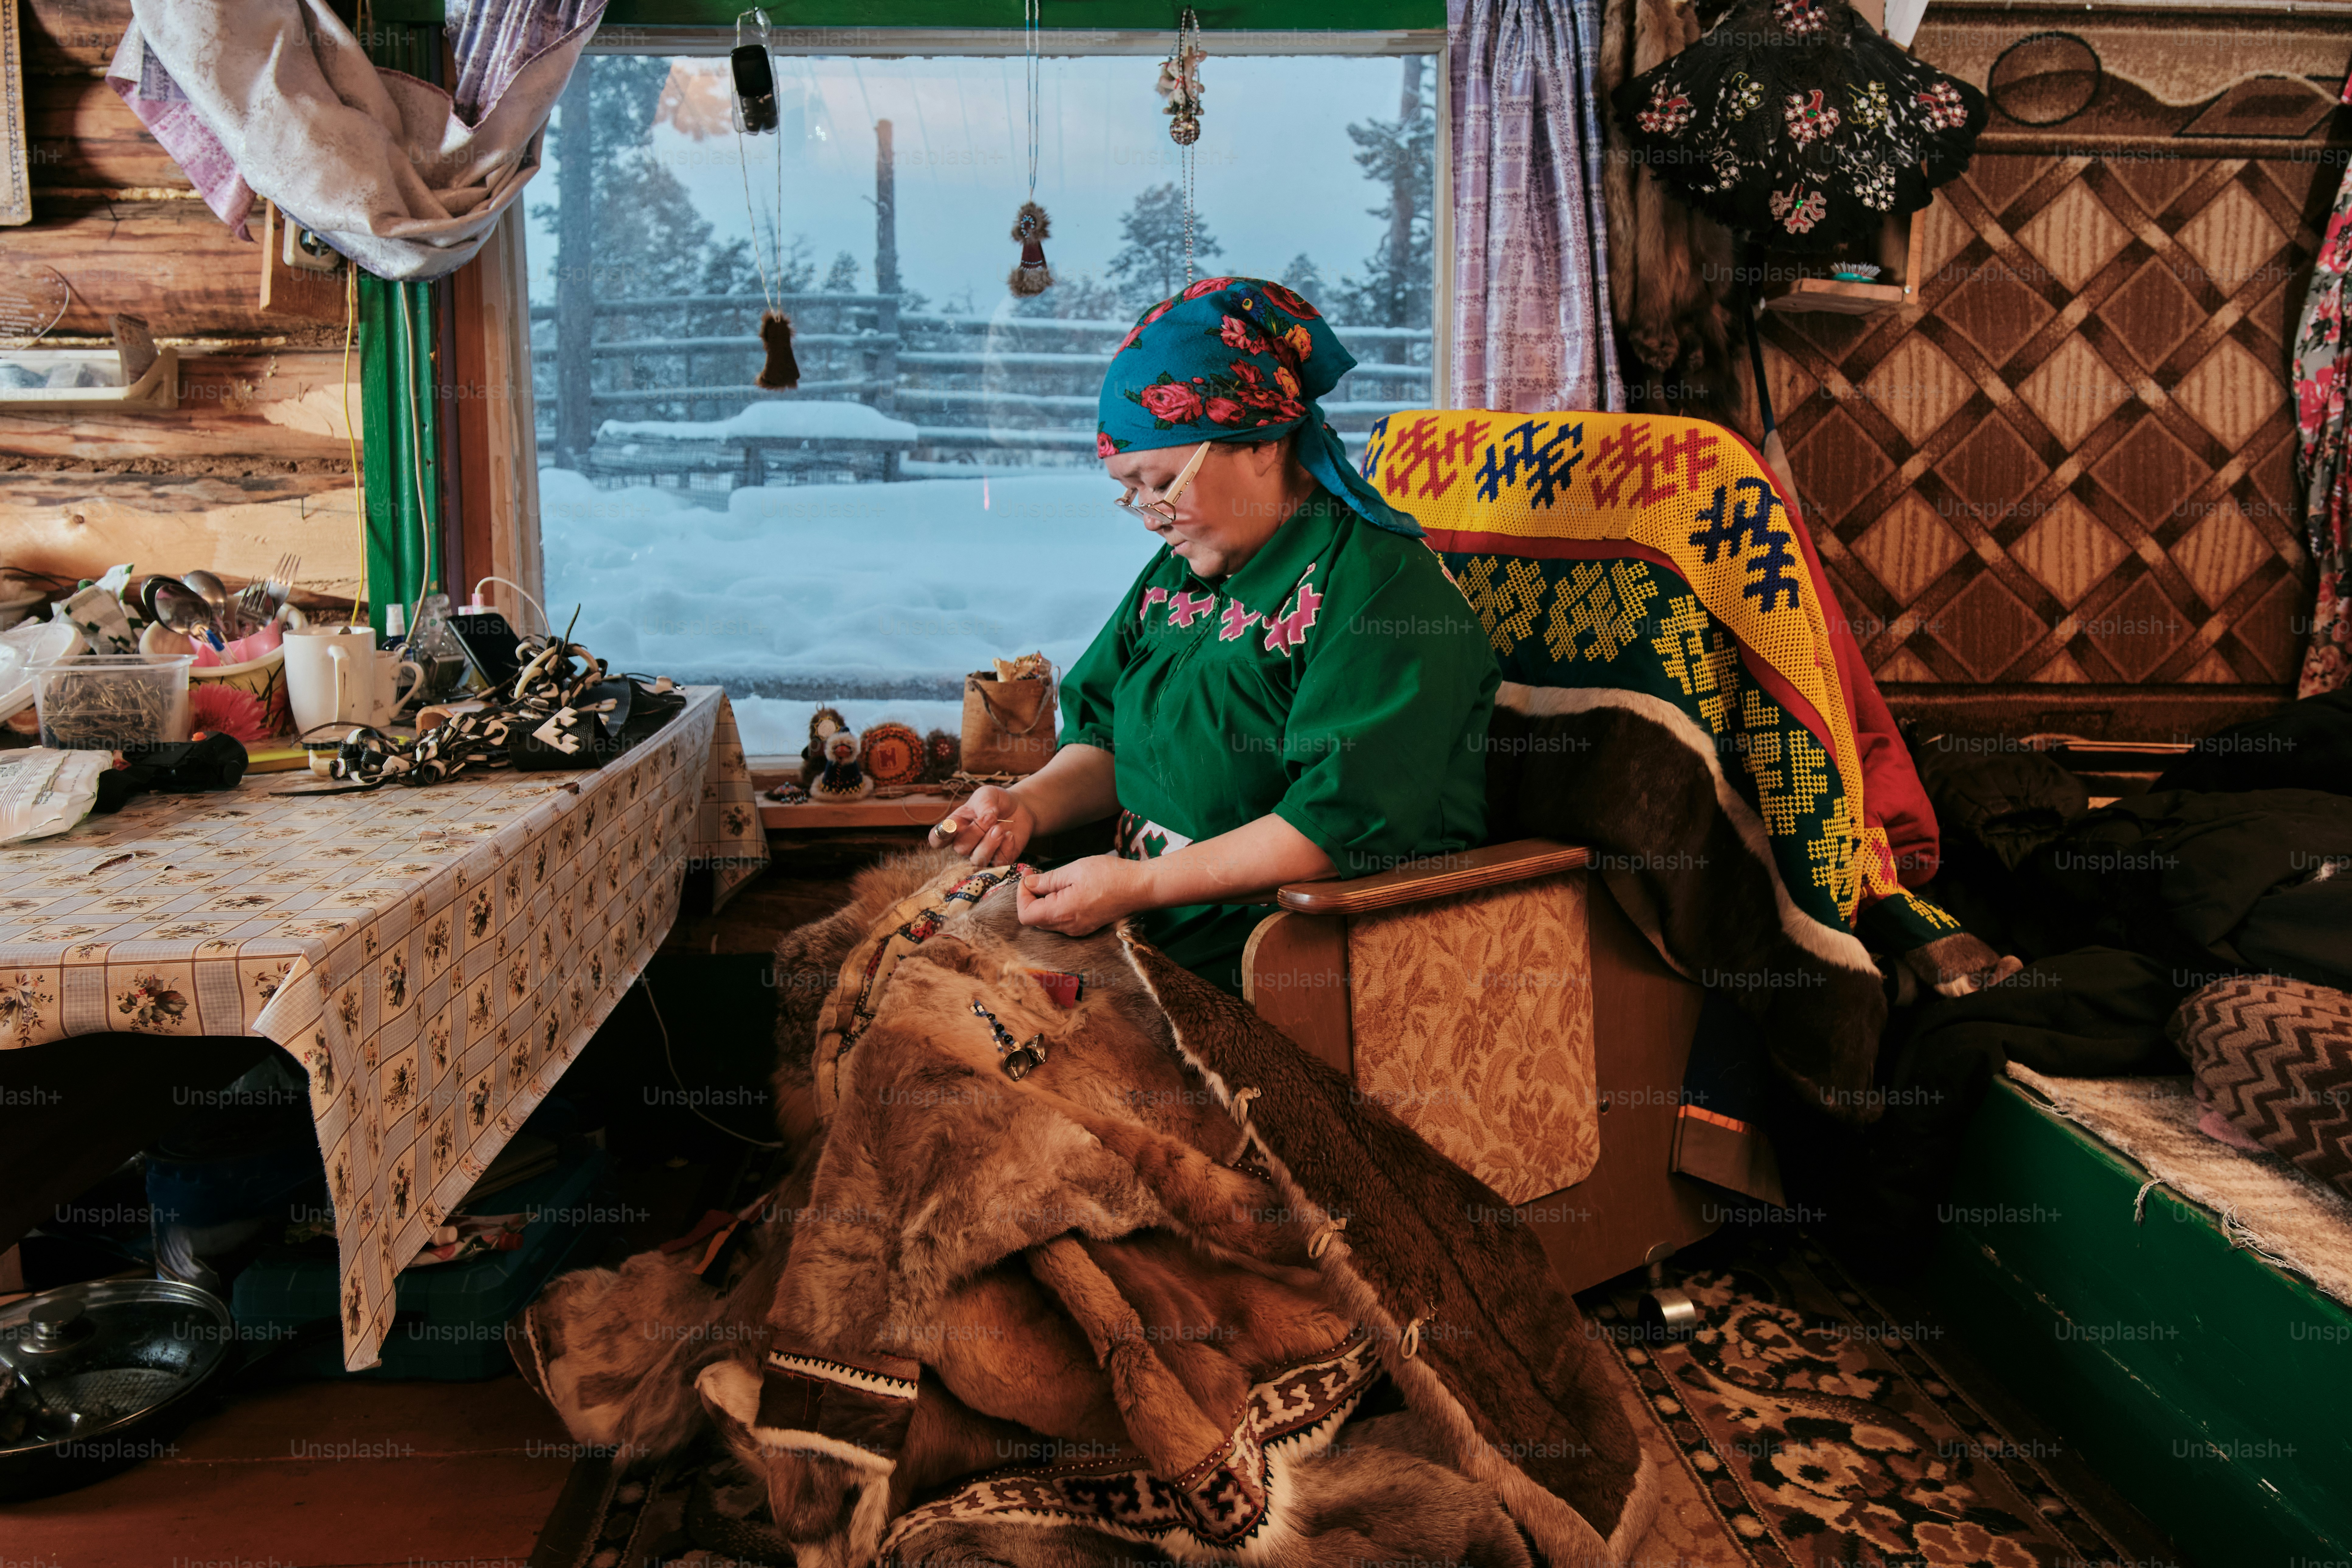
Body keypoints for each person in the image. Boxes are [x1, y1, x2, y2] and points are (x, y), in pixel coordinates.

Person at [933, 276, 1497, 992]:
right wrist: (1030, 803)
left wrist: (1138, 886)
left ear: (1261, 442)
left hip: (1293, 952)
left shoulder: (1383, 590)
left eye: (1162, 481)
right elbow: (1107, 737)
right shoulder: (1182, 572)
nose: (1149, 514)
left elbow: (1333, 824)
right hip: (1149, 922)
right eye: (1129, 490)